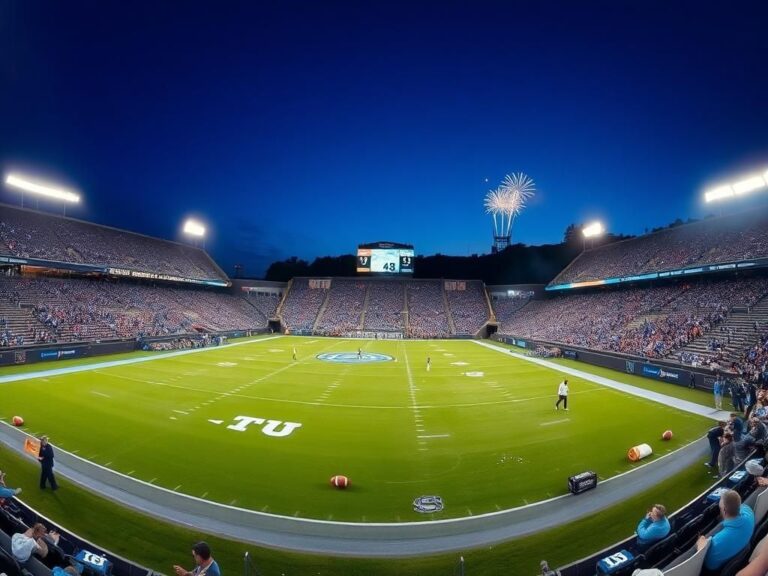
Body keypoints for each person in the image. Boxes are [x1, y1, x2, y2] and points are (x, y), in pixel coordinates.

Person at [697, 489, 754, 574]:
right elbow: (740, 505)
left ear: (724, 510)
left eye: (720, 508)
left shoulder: (717, 542)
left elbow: (709, 566)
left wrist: (700, 543)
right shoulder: (749, 512)